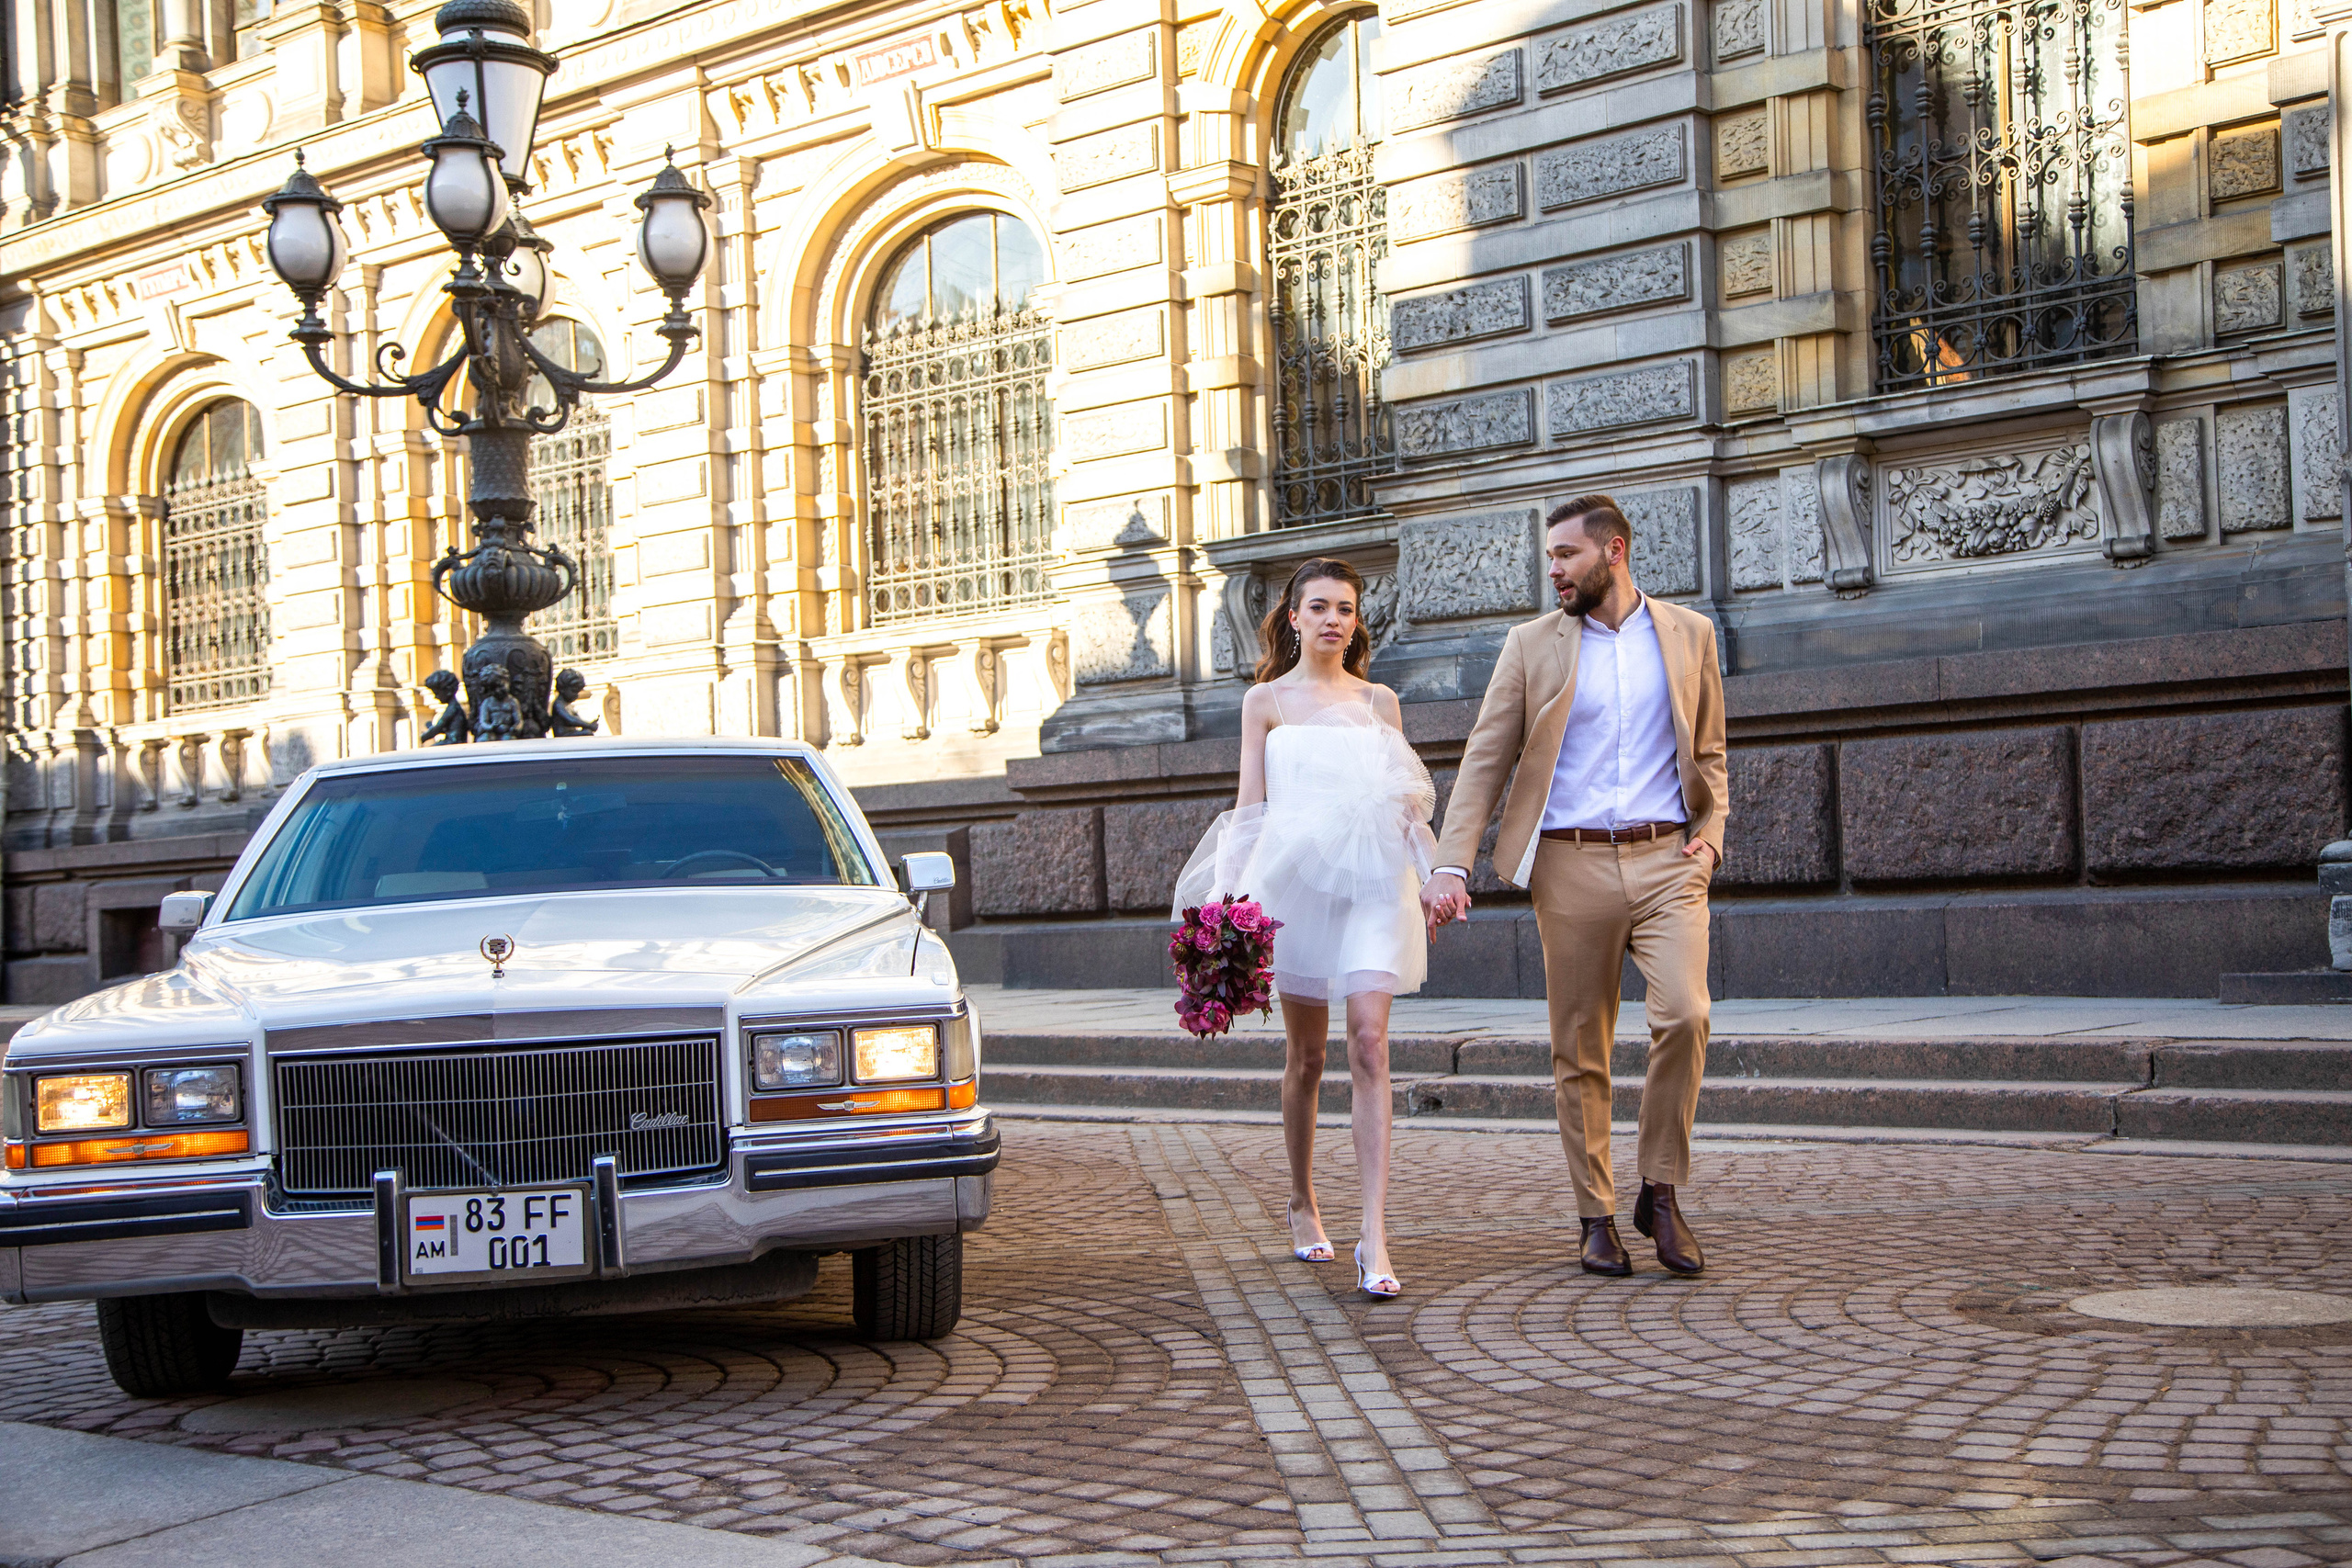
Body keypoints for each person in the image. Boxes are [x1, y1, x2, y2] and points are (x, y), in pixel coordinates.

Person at [1419, 496, 1727, 1279]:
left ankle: (1659, 1189)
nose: (1551, 569)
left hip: (1667, 861)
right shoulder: (1531, 645)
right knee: (1580, 1047)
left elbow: (1712, 750)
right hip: (1570, 863)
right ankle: (1595, 1213)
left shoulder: (1690, 634)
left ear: (1613, 551)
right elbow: (1487, 756)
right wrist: (1452, 862)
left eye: (1565, 555)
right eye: (1549, 556)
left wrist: (1711, 837)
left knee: (1687, 1014)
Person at [1174, 558, 1436, 1298]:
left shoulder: (1381, 701)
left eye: (1345, 608)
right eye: (1318, 606)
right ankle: (1300, 1198)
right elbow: (1249, 806)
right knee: (1309, 1055)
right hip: (1293, 885)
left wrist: (1439, 874)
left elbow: (1405, 801)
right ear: (1292, 617)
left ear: (1357, 620)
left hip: (1376, 883)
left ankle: (1375, 1235)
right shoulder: (1266, 702)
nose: (1332, 619)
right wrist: (1225, 906)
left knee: (1371, 1042)